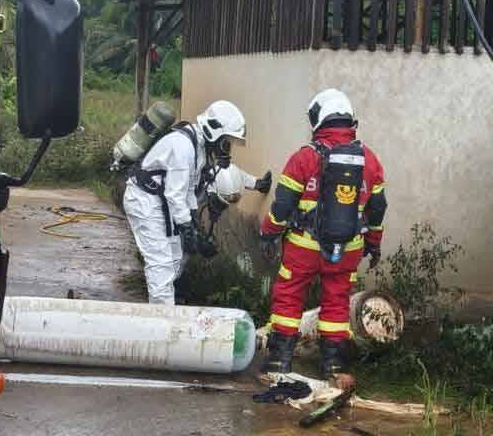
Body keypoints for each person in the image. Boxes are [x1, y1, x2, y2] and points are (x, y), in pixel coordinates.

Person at [259, 89, 387, 390]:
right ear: (349, 120)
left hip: (304, 246)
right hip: (347, 249)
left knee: (289, 295)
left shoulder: (305, 157)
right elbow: (378, 207)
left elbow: (282, 205)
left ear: (318, 119)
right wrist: (374, 242)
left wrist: (269, 233)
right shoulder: (369, 160)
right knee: (336, 302)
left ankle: (279, 360)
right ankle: (333, 364)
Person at [123, 100, 247, 304]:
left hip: (161, 202)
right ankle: (163, 321)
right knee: (161, 264)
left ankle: (162, 304)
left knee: (174, 258)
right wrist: (187, 229)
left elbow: (189, 189)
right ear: (213, 131)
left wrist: (194, 226)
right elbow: (175, 194)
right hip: (144, 200)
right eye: (226, 140)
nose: (226, 146)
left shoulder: (197, 148)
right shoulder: (183, 147)